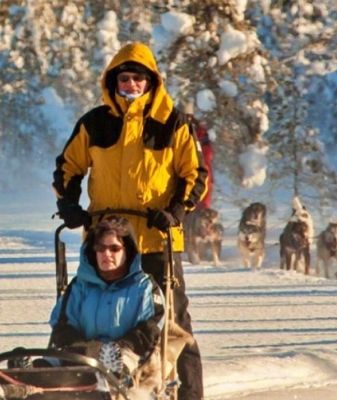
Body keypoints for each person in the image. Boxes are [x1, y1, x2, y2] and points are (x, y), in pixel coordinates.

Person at [52, 42, 207, 400]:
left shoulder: (173, 123)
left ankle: (188, 393)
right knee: (82, 313)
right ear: (113, 82)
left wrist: (176, 212)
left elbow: (195, 174)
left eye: (138, 78)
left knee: (173, 323)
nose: (131, 85)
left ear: (151, 82)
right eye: (124, 78)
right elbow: (68, 167)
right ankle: (70, 382)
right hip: (105, 240)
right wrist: (70, 205)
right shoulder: (95, 123)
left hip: (156, 238)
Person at [48, 216, 163, 382]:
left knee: (119, 363)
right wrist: (84, 349)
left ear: (127, 251)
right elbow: (62, 323)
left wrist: (121, 348)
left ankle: (110, 376)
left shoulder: (144, 287)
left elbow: (150, 328)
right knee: (49, 362)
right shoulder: (80, 285)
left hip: (129, 354)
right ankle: (25, 378)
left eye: (114, 249)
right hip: (80, 352)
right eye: (100, 248)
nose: (106, 254)